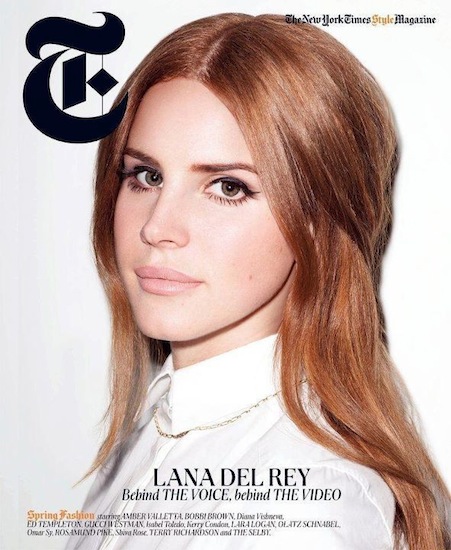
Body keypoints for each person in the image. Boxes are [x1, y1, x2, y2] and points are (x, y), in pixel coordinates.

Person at [66, 13, 450, 550]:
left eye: (227, 187)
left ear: (318, 221)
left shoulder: (303, 509)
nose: (156, 227)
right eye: (146, 176)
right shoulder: (154, 426)